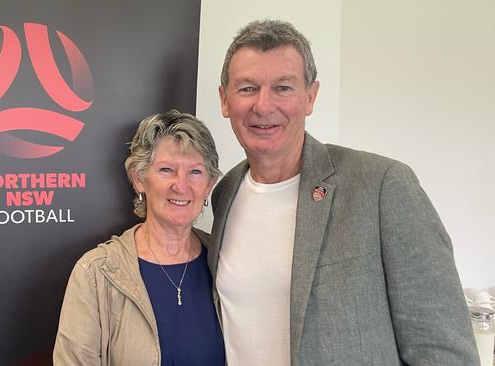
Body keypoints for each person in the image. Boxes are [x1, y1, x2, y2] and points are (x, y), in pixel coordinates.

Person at [209, 19, 479, 365]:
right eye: (247, 88)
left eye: (283, 88)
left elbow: (443, 351)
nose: (263, 106)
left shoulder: (382, 185)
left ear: (310, 96)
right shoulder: (224, 194)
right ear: (224, 100)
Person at [53, 110, 225, 365]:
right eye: (167, 170)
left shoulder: (224, 259)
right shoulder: (96, 272)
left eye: (195, 172)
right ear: (139, 178)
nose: (181, 185)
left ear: (210, 184)